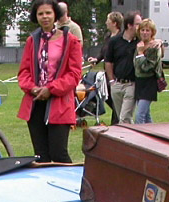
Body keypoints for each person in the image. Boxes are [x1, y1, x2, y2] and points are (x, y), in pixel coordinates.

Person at [17, 0, 83, 163]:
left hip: (59, 103)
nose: (45, 17)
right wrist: (33, 89)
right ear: (36, 17)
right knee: (41, 156)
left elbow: (74, 74)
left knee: (58, 154)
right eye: (41, 14)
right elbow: (24, 72)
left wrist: (51, 89)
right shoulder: (32, 41)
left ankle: (71, 186)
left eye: (48, 13)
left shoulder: (71, 41)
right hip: (35, 102)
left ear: (55, 15)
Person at [105, 11, 141, 124]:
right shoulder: (114, 41)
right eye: (138, 24)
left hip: (131, 84)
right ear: (129, 25)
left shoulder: (140, 42)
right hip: (117, 84)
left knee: (124, 117)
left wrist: (159, 43)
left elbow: (154, 43)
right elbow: (108, 62)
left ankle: (125, 139)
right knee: (123, 117)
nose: (140, 27)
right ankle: (132, 138)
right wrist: (111, 81)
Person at [92, 11, 123, 123]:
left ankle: (115, 122)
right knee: (107, 97)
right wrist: (96, 59)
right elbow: (104, 52)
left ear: (114, 23)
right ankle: (118, 118)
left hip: (117, 73)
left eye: (108, 20)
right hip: (107, 73)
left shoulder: (121, 38)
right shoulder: (108, 37)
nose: (106, 22)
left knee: (116, 99)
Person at [134, 18, 163, 124]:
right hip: (139, 82)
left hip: (149, 83)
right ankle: (153, 136)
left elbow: (147, 67)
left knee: (139, 115)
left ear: (152, 32)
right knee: (146, 115)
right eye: (142, 30)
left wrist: (141, 54)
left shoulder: (154, 47)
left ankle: (139, 137)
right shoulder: (138, 44)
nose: (145, 33)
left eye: (147, 30)